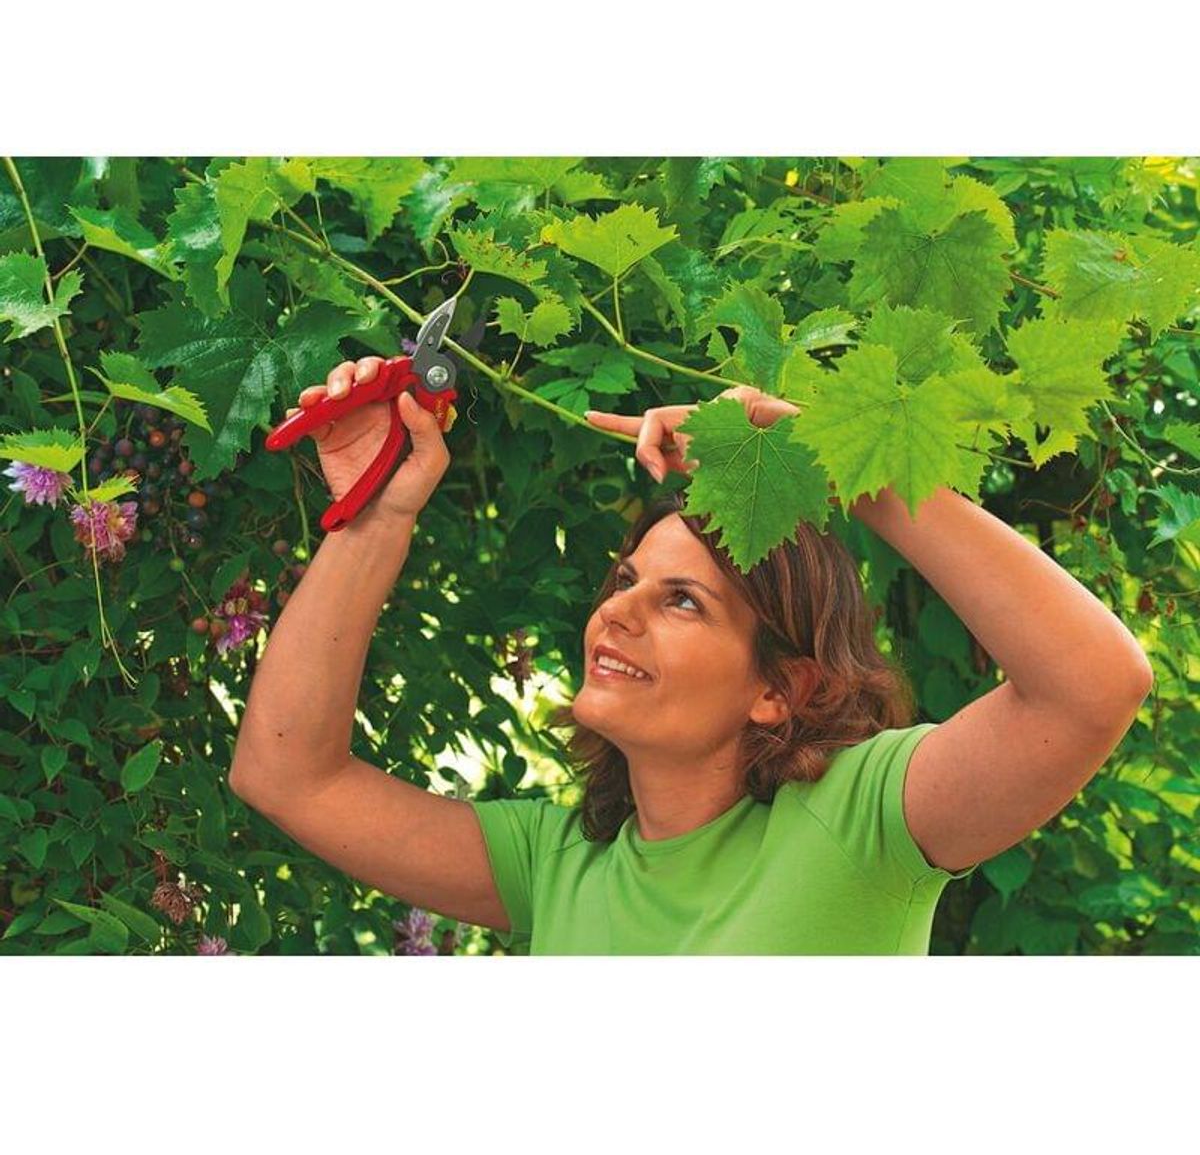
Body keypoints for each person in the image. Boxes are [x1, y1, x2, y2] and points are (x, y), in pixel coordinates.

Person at [230, 356, 1153, 956]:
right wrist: (378, 516)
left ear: (779, 690)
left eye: (680, 600)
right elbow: (288, 772)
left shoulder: (859, 822)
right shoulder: (559, 859)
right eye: (624, 580)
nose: (617, 611)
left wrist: (839, 460)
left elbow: (1093, 687)